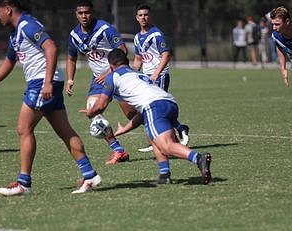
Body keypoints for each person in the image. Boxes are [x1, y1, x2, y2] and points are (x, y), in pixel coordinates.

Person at [0, 0, 101, 196]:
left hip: (42, 83)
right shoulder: (16, 33)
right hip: (46, 82)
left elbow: (51, 48)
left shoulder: (27, 25)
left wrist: (47, 82)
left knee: (24, 129)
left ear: (8, 10)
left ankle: (24, 183)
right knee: (65, 131)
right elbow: (10, 60)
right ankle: (89, 175)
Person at [85, 48, 212, 184]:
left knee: (167, 146)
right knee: (154, 137)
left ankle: (198, 158)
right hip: (170, 103)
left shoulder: (113, 76)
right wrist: (125, 129)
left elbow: (100, 106)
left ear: (110, 66)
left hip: (153, 106)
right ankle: (164, 175)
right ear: (127, 61)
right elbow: (143, 116)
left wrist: (90, 113)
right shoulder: (139, 74)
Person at [66, 0, 132, 164]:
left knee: (134, 115)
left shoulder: (105, 29)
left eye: (87, 12)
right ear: (76, 14)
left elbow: (123, 50)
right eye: (80, 13)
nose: (84, 16)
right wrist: (69, 79)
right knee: (93, 111)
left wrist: (109, 71)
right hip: (98, 80)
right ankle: (118, 150)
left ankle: (169, 135)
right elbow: (71, 58)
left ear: (92, 13)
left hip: (119, 75)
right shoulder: (74, 35)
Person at [133, 3, 189, 152]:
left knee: (156, 107)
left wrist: (156, 73)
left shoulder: (156, 34)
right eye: (141, 15)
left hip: (160, 76)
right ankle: (178, 128)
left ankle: (162, 141)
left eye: (146, 14)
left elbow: (166, 55)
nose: (143, 17)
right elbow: (139, 59)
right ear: (136, 18)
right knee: (150, 108)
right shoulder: (137, 37)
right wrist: (133, 75)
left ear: (150, 16)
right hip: (146, 78)